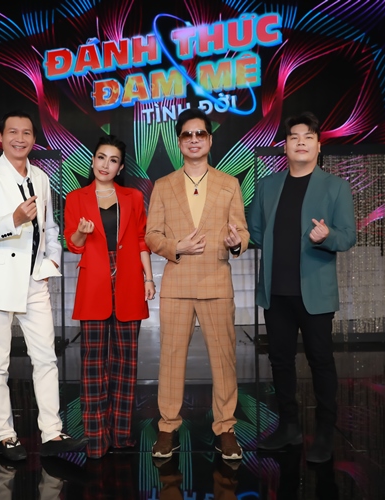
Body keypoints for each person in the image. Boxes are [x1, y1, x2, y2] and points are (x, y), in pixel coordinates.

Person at [0, 110, 87, 461]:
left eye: (27, 133)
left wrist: (51, 262)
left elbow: (50, 228)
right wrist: (13, 219)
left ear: (34, 139)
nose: (20, 138)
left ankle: (52, 432)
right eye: (13, 132)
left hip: (34, 282)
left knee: (46, 358)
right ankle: (5, 435)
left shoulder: (42, 177)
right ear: (0, 136)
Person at [249, 112, 356, 463]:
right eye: (294, 137)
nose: (300, 142)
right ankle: (289, 426)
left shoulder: (336, 187)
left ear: (318, 146)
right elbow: (256, 231)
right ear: (285, 146)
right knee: (280, 361)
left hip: (315, 292)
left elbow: (348, 236)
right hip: (276, 292)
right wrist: (238, 239)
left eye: (308, 137)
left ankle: (324, 431)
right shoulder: (267, 186)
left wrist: (327, 236)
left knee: (320, 360)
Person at [145, 108, 249, 461]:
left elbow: (242, 230)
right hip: (177, 284)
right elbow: (151, 235)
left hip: (216, 282)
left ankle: (226, 428)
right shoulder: (163, 186)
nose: (193, 140)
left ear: (209, 140)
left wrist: (236, 242)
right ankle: (167, 427)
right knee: (171, 359)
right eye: (187, 135)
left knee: (224, 359)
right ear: (179, 142)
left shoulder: (229, 184)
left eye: (199, 134)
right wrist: (176, 247)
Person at [64, 135, 155, 459]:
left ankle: (120, 434)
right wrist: (81, 232)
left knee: (125, 364)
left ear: (120, 167)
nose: (105, 164)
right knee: (93, 366)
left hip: (129, 282)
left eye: (113, 160)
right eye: (101, 157)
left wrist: (148, 278)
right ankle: (95, 438)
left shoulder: (133, 197)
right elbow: (73, 244)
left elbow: (142, 240)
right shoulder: (76, 197)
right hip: (94, 284)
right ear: (93, 161)